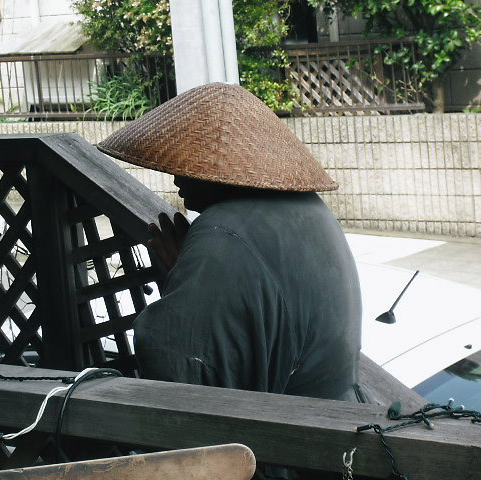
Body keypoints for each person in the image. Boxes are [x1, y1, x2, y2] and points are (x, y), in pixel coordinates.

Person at [98, 84, 364, 476]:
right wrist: (185, 282)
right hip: (340, 434)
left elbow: (179, 365)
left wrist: (179, 285)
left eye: (188, 164)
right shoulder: (308, 209)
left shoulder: (222, 235)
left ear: (219, 170)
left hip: (286, 451)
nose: (175, 178)